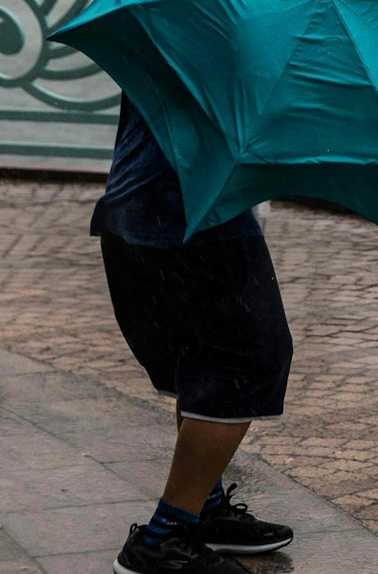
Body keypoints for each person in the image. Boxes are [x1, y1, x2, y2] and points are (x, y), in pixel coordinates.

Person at [95, 96, 297, 573]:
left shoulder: (174, 22)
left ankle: (200, 509)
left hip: (142, 206)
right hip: (191, 216)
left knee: (207, 361)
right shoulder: (225, 27)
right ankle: (165, 537)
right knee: (246, 362)